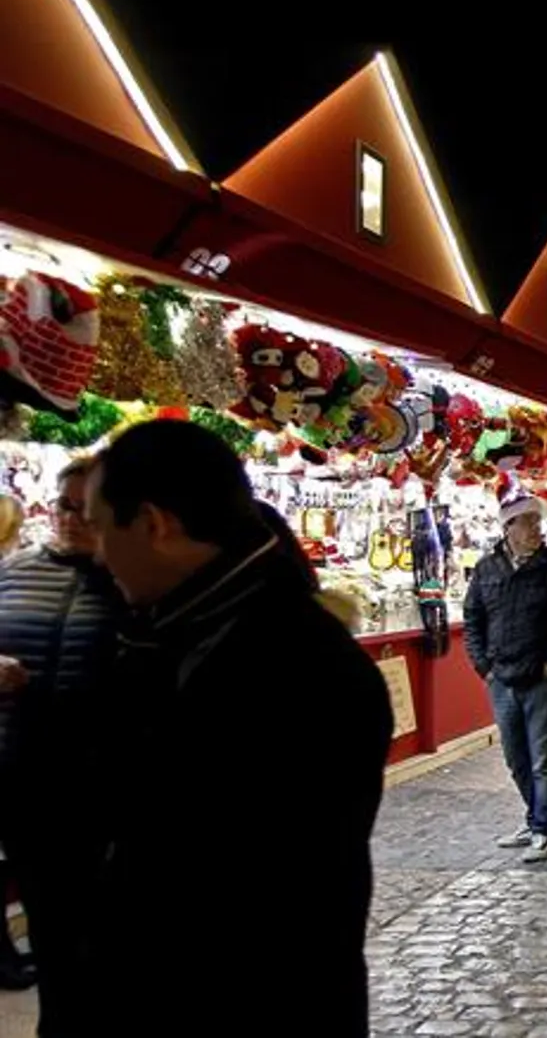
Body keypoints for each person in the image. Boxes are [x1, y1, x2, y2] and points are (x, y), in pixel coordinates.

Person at [82, 420, 392, 1033]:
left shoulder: (309, 669)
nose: (96, 552)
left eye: (99, 526)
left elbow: (261, 893)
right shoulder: (158, 636)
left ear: (153, 524)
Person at [0, 458, 121, 1029]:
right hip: (22, 779)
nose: (70, 518)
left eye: (84, 508)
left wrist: (42, 688)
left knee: (99, 943)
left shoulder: (129, 580)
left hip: (97, 786)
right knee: (52, 938)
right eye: (63, 504)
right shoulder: (14, 571)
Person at [463, 495, 547, 864]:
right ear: (508, 529)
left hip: (542, 679)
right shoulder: (487, 569)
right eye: (528, 522)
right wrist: (483, 667)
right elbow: (473, 619)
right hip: (501, 679)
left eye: (538, 522)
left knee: (544, 759)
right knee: (516, 757)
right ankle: (535, 817)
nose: (537, 529)